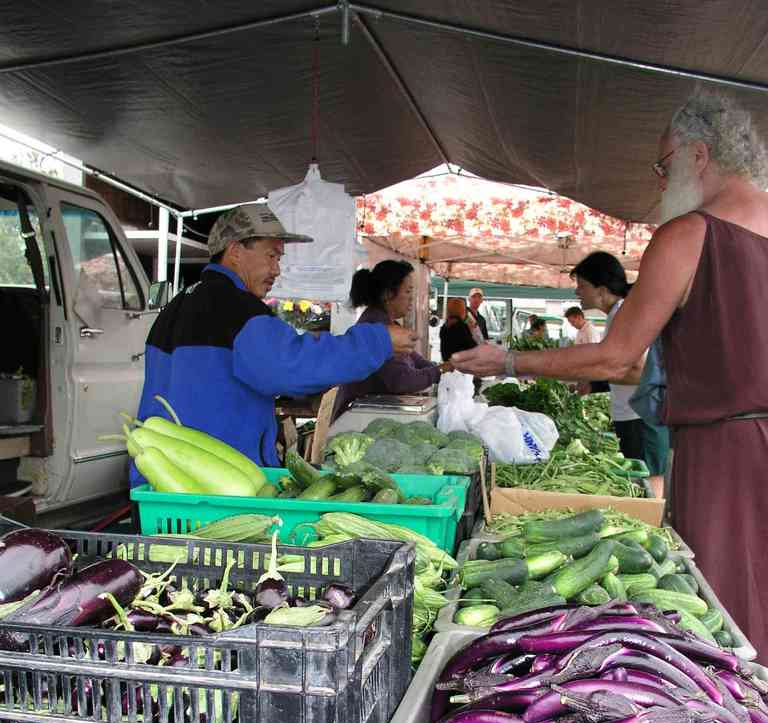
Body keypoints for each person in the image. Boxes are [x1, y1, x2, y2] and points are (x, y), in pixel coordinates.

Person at [450, 87, 768, 659]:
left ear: (699, 155)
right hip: (740, 443)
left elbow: (618, 358)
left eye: (663, 165)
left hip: (726, 456)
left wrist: (509, 361)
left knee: (722, 618)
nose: (660, 181)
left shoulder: (690, 235)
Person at [132, 205, 415, 475]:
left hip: (164, 471)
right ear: (235, 251)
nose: (277, 270)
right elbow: (292, 366)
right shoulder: (237, 308)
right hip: (218, 479)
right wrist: (377, 341)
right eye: (272, 256)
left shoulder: (176, 306)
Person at [331, 260, 443, 421]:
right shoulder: (376, 326)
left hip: (370, 416)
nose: (412, 298)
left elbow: (416, 360)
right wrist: (439, 371)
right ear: (387, 294)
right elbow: (401, 380)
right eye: (408, 291)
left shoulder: (387, 324)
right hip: (356, 421)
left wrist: (444, 368)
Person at [567, 253, 645, 462]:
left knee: (645, 476)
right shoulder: (616, 315)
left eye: (582, 286)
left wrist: (593, 374)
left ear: (601, 290)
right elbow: (623, 368)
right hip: (628, 414)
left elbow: (639, 373)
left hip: (639, 418)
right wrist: (594, 384)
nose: (577, 291)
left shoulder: (623, 314)